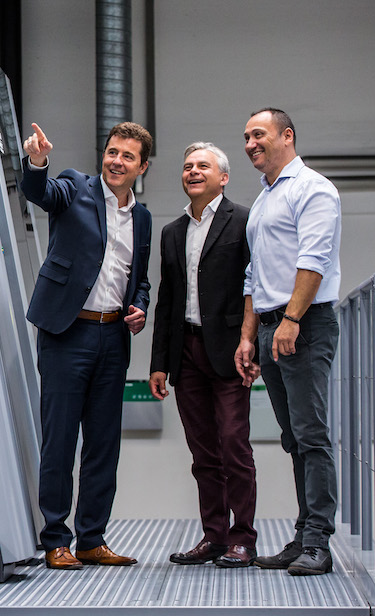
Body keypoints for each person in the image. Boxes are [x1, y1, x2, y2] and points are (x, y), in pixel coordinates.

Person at [20, 121, 152, 570]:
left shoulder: (143, 217)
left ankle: (92, 538)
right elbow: (40, 193)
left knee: (103, 443)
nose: (116, 161)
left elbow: (141, 280)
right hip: (66, 332)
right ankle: (55, 538)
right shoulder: (75, 187)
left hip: (113, 336)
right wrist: (38, 162)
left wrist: (139, 306)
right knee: (60, 440)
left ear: (142, 166)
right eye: (112, 152)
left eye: (127, 156)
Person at [234, 108, 342, 576]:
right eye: (246, 137)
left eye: (258, 134)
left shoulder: (312, 188)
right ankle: (303, 536)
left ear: (287, 136)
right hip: (272, 327)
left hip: (304, 324)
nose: (250, 143)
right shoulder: (263, 200)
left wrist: (292, 318)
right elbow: (254, 273)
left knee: (312, 437)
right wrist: (248, 335)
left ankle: (319, 541)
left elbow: (313, 259)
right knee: (294, 438)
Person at [149, 142, 258, 568]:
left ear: (223, 177)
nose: (193, 171)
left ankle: (243, 538)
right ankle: (214, 537)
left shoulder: (244, 221)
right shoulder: (172, 232)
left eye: (203, 166)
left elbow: (256, 286)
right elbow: (166, 299)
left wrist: (253, 341)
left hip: (231, 350)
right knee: (203, 453)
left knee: (233, 445)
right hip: (186, 353)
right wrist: (160, 362)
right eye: (187, 165)